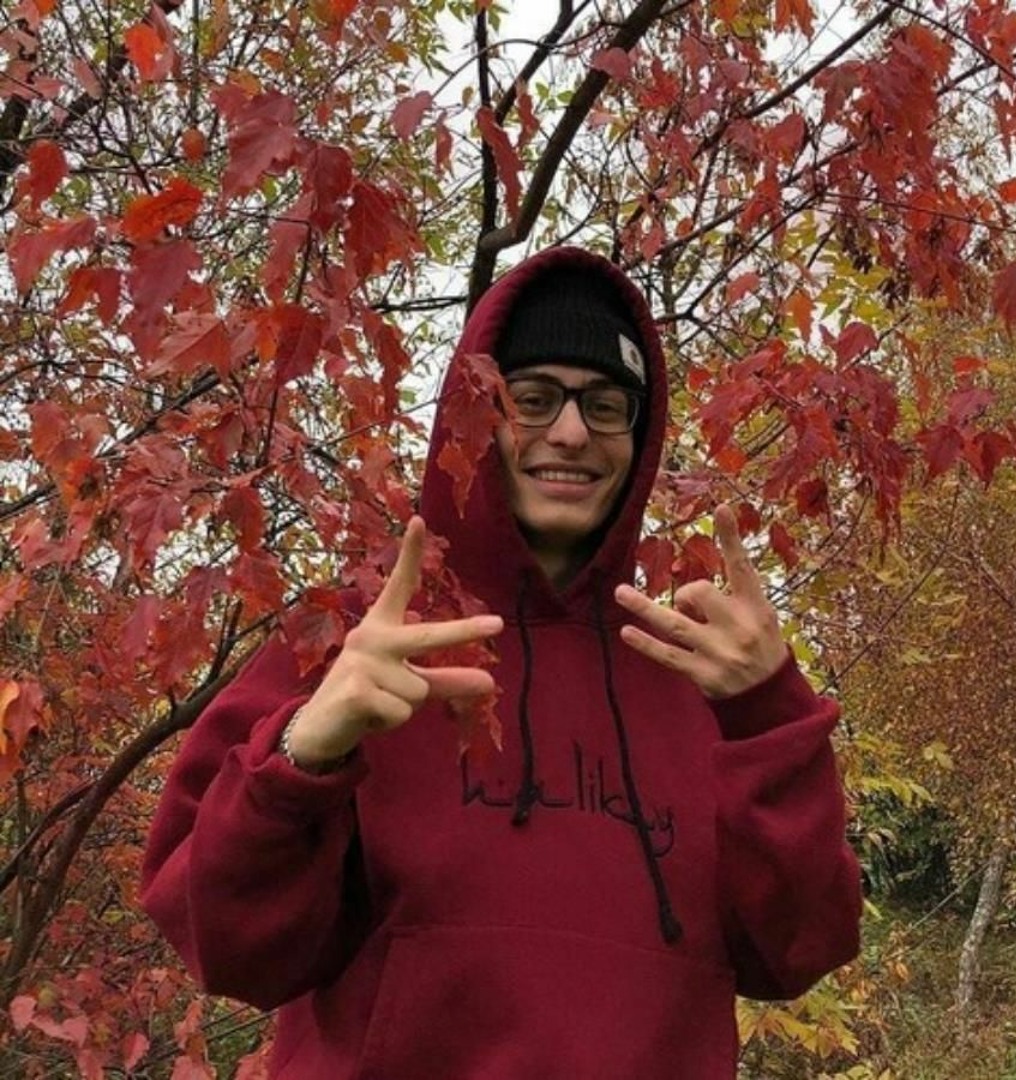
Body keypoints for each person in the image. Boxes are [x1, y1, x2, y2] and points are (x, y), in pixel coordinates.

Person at [141, 246, 862, 1079]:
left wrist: (770, 711)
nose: (571, 433)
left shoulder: (700, 672)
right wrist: (305, 753)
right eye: (533, 398)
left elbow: (800, 949)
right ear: (476, 415)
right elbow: (224, 944)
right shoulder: (365, 644)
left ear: (641, 436)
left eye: (606, 406)